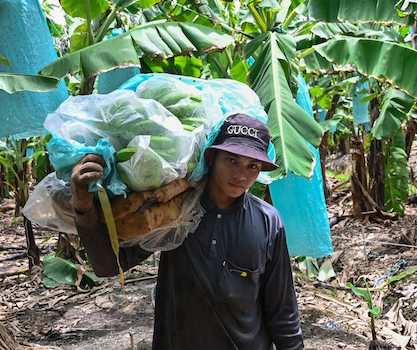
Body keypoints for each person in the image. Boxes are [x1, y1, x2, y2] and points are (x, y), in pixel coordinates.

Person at [67, 113, 304, 350]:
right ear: (211, 157)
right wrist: (83, 207)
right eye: (231, 160)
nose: (241, 175)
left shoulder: (268, 222)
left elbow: (282, 310)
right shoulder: (174, 212)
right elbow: (108, 266)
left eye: (252, 165)